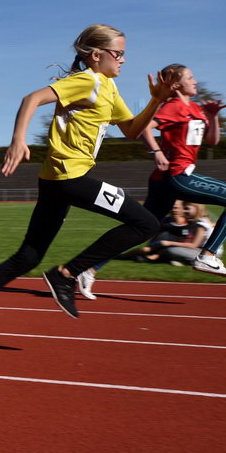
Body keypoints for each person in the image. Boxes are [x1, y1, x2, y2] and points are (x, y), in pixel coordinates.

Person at [0, 23, 173, 346]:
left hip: (56, 181)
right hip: (69, 177)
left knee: (29, 256)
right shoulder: (86, 82)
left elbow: (132, 130)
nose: (123, 60)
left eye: (124, 54)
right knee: (146, 222)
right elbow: (31, 98)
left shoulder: (107, 87)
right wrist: (18, 140)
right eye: (118, 53)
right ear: (95, 56)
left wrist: (156, 101)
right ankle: (65, 275)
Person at [78, 64, 226, 298]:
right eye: (191, 77)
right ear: (176, 84)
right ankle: (208, 256)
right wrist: (155, 151)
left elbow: (212, 140)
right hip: (177, 175)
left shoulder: (196, 108)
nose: (195, 81)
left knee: (143, 228)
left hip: (163, 182)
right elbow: (144, 126)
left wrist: (213, 116)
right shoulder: (173, 106)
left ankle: (87, 269)